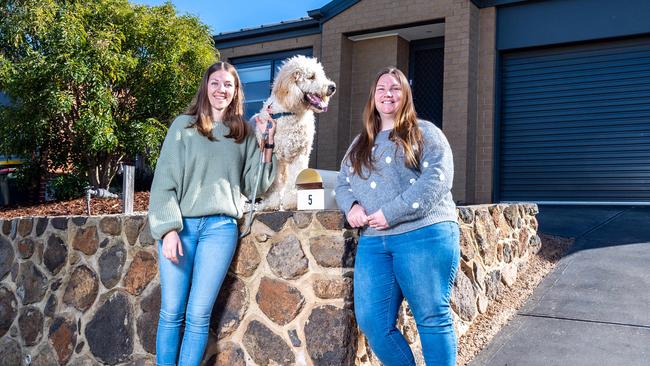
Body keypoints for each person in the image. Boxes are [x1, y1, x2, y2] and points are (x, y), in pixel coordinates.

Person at [147, 61, 277, 366]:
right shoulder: (183, 126)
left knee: (198, 315)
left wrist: (267, 142)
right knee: (172, 311)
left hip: (220, 230)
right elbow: (164, 181)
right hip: (181, 229)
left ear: (235, 92)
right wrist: (167, 230)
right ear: (206, 87)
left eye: (228, 85)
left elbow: (254, 185)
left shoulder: (242, 132)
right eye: (216, 83)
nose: (222, 90)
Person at [335, 67, 460, 366]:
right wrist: (351, 206)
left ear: (405, 96)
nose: (388, 94)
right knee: (373, 323)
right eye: (381, 88)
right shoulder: (359, 143)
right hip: (375, 243)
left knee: (431, 316)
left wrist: (390, 212)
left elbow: (437, 178)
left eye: (395, 88)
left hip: (424, 234)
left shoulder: (425, 132)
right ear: (373, 97)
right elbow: (342, 182)